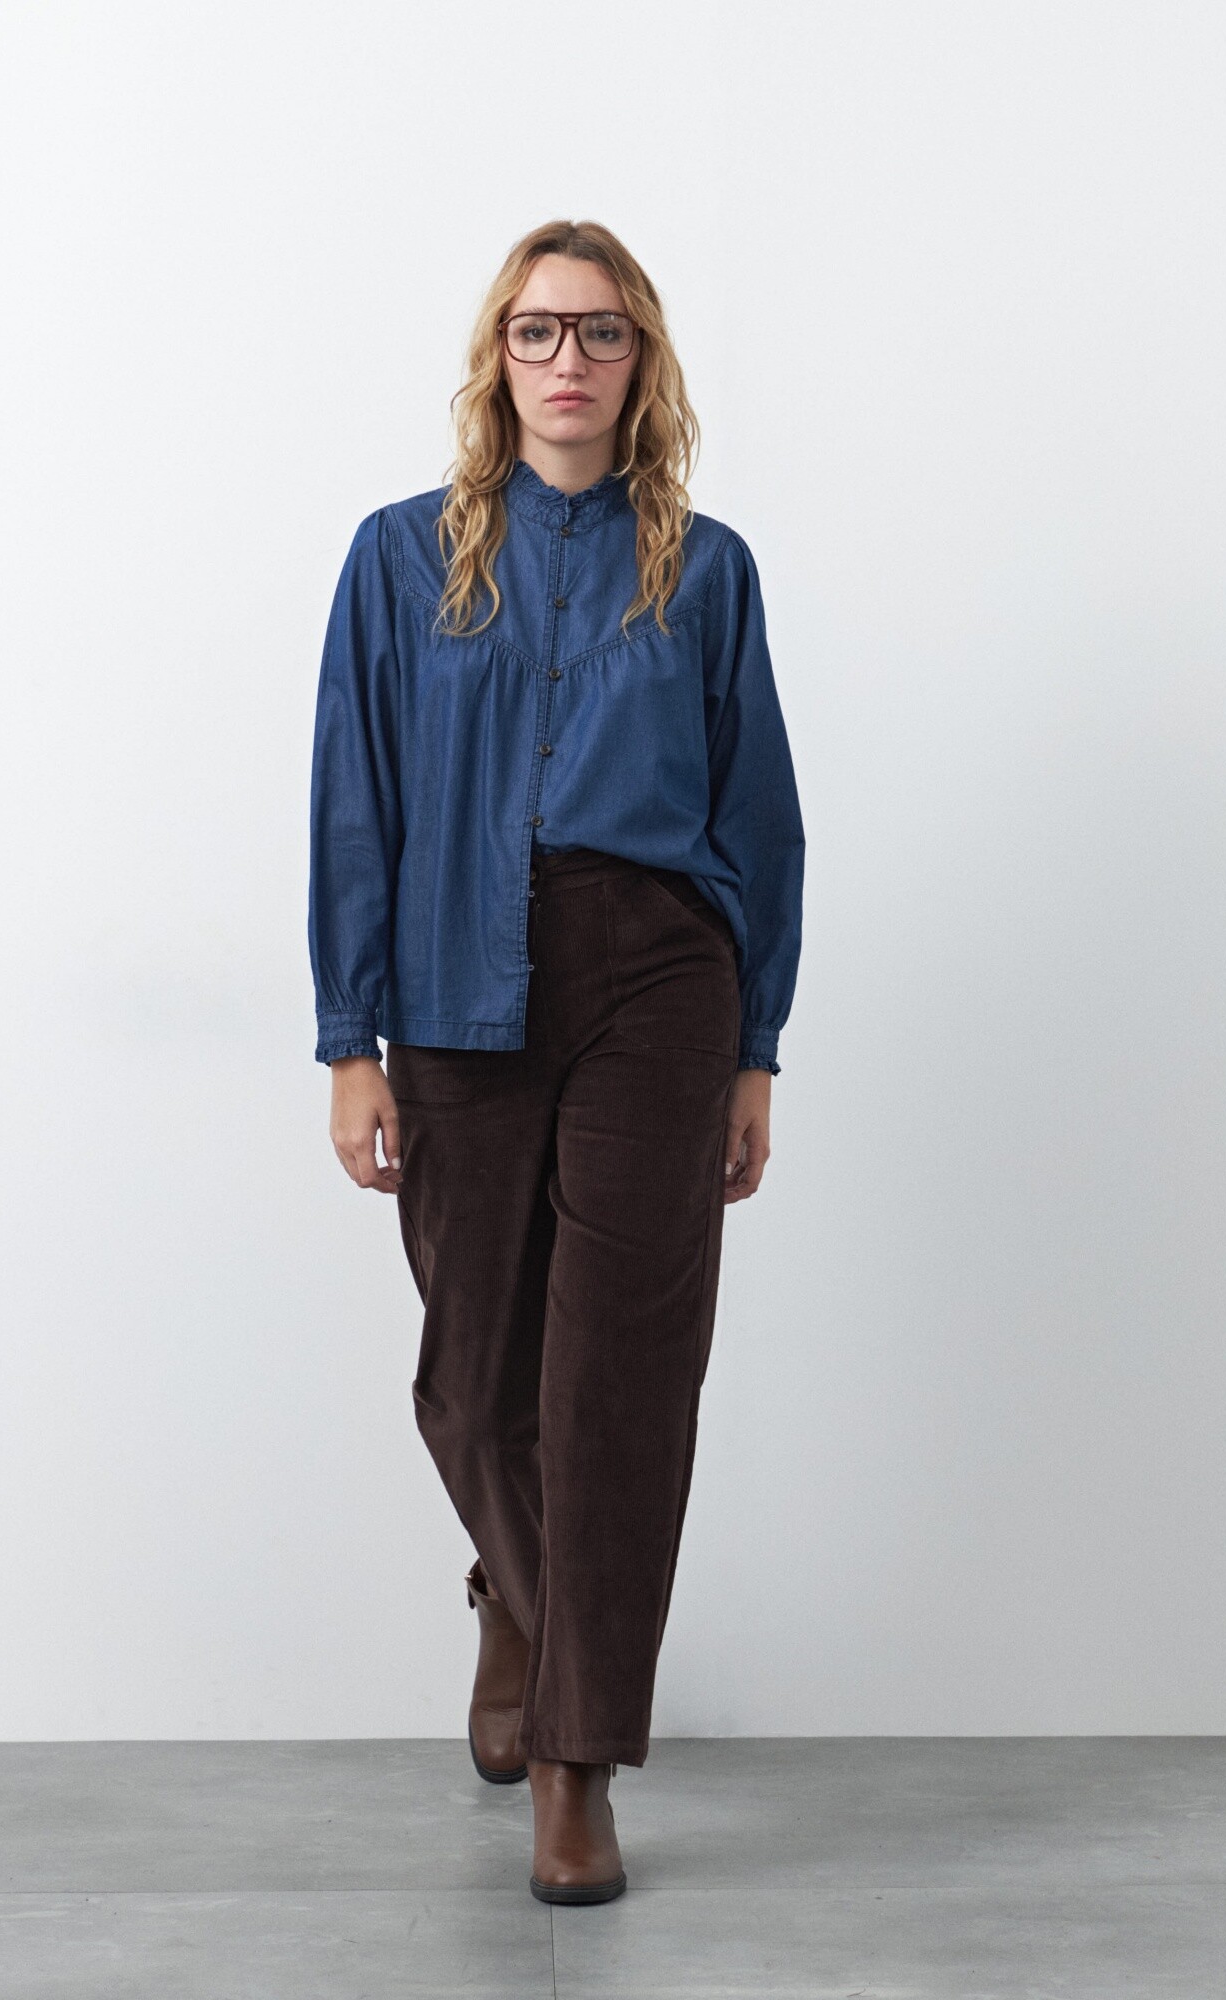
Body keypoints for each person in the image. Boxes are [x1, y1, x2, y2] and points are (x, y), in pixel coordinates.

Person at [307, 219, 806, 1904]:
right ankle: (516, 1601)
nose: (566, 361)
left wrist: (753, 1049)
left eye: (597, 332)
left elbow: (758, 817)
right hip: (455, 977)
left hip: (658, 982)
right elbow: (354, 801)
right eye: (536, 331)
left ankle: (574, 1765)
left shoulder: (705, 569)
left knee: (619, 1382)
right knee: (473, 1376)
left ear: (638, 360)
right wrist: (347, 1038)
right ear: (498, 358)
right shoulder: (398, 557)